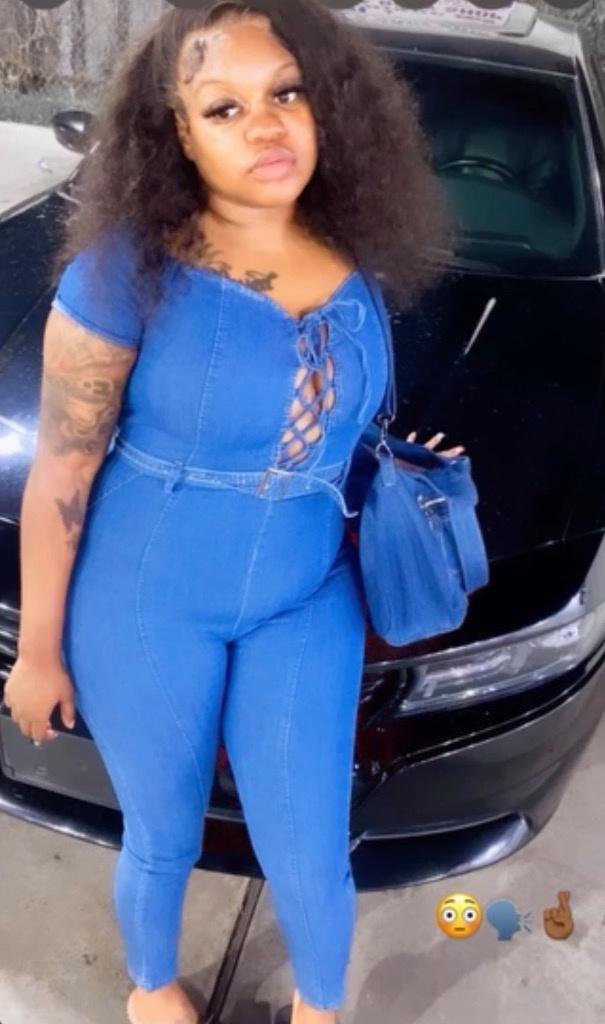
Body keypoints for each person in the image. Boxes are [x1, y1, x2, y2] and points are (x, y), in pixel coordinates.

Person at [3, 2, 461, 1022]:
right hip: (145, 598)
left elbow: (326, 425)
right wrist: (38, 652)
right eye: (224, 107)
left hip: (305, 592)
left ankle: (320, 1006)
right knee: (164, 833)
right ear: (176, 131)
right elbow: (64, 470)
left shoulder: (353, 254)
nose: (265, 126)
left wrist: (400, 466)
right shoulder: (123, 273)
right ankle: (151, 989)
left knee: (309, 841)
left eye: (285, 92)